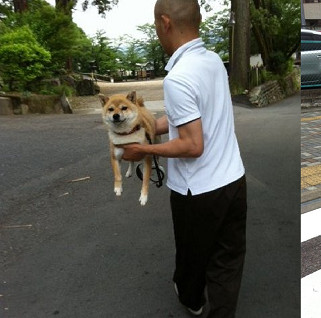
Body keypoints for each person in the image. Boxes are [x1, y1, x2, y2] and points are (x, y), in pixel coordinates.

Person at [120, 0, 247, 316]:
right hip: (234, 181)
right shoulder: (214, 61)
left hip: (198, 193)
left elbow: (192, 144)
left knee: (192, 258)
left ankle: (192, 300)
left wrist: (142, 151)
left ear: (165, 23)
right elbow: (190, 118)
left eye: (155, 25)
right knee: (227, 262)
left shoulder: (177, 78)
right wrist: (147, 127)